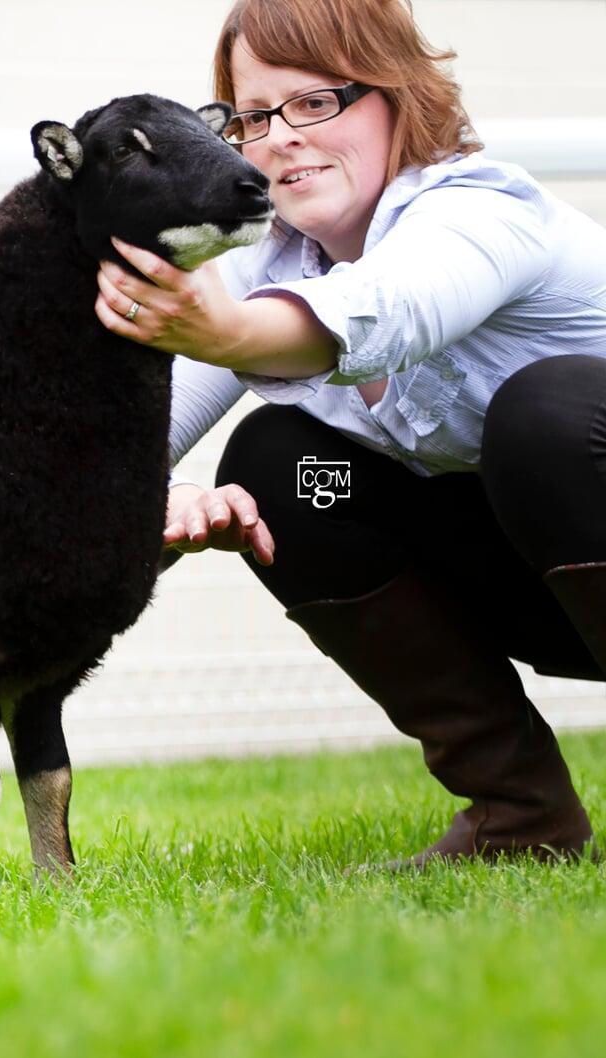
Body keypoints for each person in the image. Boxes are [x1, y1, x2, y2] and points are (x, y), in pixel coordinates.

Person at [96, 0, 606, 866]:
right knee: (281, 466)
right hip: (548, 599)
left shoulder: (484, 207)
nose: (283, 137)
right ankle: (520, 819)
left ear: (397, 95)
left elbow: (388, 309)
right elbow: (113, 449)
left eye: (316, 101)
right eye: (255, 115)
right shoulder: (263, 265)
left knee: (545, 414)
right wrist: (155, 501)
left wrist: (224, 331)